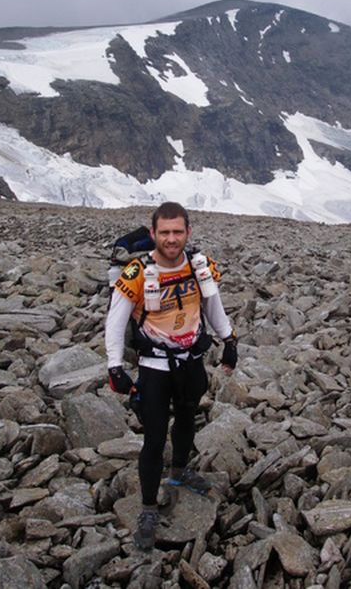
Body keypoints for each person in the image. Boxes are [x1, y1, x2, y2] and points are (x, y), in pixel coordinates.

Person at [105, 201, 238, 551]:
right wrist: (114, 366)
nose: (171, 238)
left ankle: (179, 470)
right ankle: (148, 508)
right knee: (153, 436)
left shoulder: (200, 267)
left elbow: (213, 307)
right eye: (164, 232)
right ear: (153, 234)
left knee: (187, 417)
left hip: (191, 360)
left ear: (188, 232)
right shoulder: (136, 273)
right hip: (154, 367)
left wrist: (229, 340)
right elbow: (116, 321)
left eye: (178, 231)